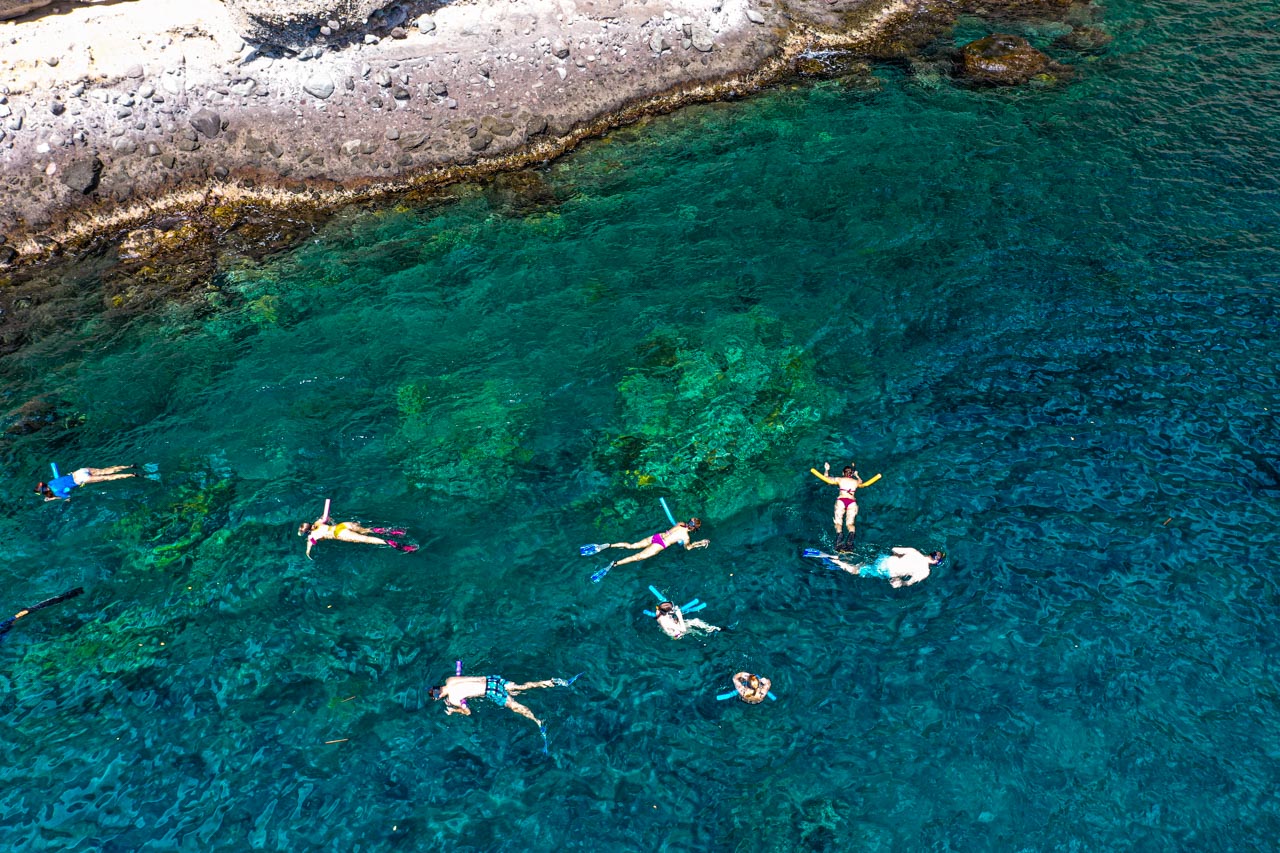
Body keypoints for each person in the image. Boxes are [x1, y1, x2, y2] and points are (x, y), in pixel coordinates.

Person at [429, 674, 574, 730]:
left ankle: (538, 721)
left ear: (438, 696)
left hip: (491, 692)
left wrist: (454, 710)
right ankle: (550, 681)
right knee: (521, 687)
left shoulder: (453, 699)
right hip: (492, 680)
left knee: (514, 706)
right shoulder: (450, 679)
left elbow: (468, 712)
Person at [596, 518, 710, 573]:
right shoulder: (686, 537)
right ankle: (615, 564)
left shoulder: (680, 523)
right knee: (636, 557)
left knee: (632, 546)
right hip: (660, 544)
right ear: (694, 529)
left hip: (658, 536)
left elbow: (679, 527)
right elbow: (688, 547)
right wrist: (699, 543)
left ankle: (609, 545)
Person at [806, 546, 942, 587]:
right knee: (855, 571)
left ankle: (839, 557)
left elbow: (895, 549)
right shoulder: (925, 572)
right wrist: (900, 582)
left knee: (862, 563)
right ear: (936, 562)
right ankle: (832, 559)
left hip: (884, 560)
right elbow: (908, 582)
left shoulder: (914, 551)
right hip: (887, 570)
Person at [298, 515, 417, 559]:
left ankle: (389, 542)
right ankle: (397, 532)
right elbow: (327, 517)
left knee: (367, 539)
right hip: (343, 525)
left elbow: (310, 544)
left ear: (307, 532)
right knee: (367, 530)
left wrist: (308, 552)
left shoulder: (312, 536)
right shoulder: (319, 522)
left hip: (339, 534)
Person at [809, 462, 864, 549]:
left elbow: (826, 479)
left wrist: (827, 469)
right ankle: (850, 543)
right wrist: (857, 475)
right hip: (852, 502)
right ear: (852, 474)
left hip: (841, 500)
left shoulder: (839, 479)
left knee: (838, 522)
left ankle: (839, 542)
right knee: (850, 523)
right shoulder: (855, 482)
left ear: (843, 473)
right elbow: (861, 483)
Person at [36, 465, 137, 501]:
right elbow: (58, 479)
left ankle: (132, 474)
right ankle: (129, 466)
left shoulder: (57, 492)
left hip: (81, 479)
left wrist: (53, 498)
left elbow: (68, 496)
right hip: (80, 471)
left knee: (108, 478)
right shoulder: (51, 482)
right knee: (104, 470)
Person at [653, 600, 721, 640]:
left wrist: (675, 611)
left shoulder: (659, 610)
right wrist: (679, 616)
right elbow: (683, 629)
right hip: (676, 633)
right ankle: (710, 632)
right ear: (668, 612)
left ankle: (709, 630)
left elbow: (667, 610)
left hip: (670, 626)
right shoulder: (667, 622)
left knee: (694, 622)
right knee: (695, 624)